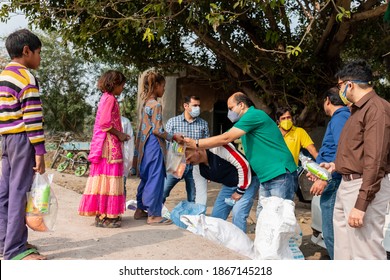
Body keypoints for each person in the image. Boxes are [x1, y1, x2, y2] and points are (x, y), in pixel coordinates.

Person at [185, 92, 297, 216]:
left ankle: (291, 236)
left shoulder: (254, 115)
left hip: (279, 173)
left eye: (231, 108)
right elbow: (221, 138)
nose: (229, 112)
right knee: (265, 218)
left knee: (278, 218)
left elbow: (225, 138)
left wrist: (195, 143)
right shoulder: (243, 124)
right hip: (266, 176)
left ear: (241, 105)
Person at [321, 60, 390, 259]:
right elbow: (358, 151)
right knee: (344, 253)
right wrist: (335, 165)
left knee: (365, 254)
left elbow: (375, 160)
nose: (340, 91)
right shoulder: (357, 110)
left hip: (363, 186)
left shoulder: (376, 109)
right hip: (347, 183)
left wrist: (361, 205)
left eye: (340, 86)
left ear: (349, 84)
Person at [0, 29, 47, 260]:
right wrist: (39, 151)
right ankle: (16, 249)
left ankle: (4, 243)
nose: (39, 58)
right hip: (22, 139)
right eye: (39, 53)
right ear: (26, 51)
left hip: (6, 140)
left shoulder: (3, 76)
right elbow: (32, 118)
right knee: (20, 192)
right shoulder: (26, 77)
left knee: (5, 193)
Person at [78, 70, 130, 228]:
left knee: (103, 179)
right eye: (121, 86)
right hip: (109, 147)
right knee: (109, 178)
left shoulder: (105, 98)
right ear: (114, 84)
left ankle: (103, 215)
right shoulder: (110, 99)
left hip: (105, 144)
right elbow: (105, 124)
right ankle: (106, 216)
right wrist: (120, 134)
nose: (122, 89)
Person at [133, 70, 184, 225]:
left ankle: (140, 209)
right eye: (163, 86)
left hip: (144, 145)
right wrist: (174, 137)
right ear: (156, 86)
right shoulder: (156, 105)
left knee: (147, 176)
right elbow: (158, 130)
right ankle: (154, 215)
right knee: (156, 178)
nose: (163, 90)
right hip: (154, 145)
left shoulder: (145, 103)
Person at [308, 87, 350, 259]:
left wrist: (325, 178)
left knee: (331, 231)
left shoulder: (341, 117)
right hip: (330, 175)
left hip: (333, 178)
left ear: (327, 100)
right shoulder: (341, 117)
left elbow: (344, 148)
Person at [186, 144, 259, 233]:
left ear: (197, 150)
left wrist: (240, 191)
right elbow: (200, 193)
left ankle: (240, 243)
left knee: (238, 212)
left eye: (189, 158)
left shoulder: (218, 149)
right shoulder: (197, 169)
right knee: (216, 217)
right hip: (229, 185)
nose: (188, 162)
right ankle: (217, 243)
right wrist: (199, 214)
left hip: (248, 181)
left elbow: (243, 165)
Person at [163, 95, 209, 205]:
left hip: (195, 166)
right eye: (195, 105)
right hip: (176, 163)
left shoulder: (203, 124)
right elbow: (165, 143)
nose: (198, 108)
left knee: (193, 196)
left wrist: (207, 169)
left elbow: (206, 147)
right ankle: (154, 214)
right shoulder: (172, 122)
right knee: (163, 191)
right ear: (186, 106)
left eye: (199, 105)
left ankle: (191, 218)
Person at [121, 115, 134, 200]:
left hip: (122, 159)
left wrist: (129, 162)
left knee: (121, 185)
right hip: (106, 162)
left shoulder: (124, 121)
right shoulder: (103, 120)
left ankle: (119, 210)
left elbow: (130, 143)